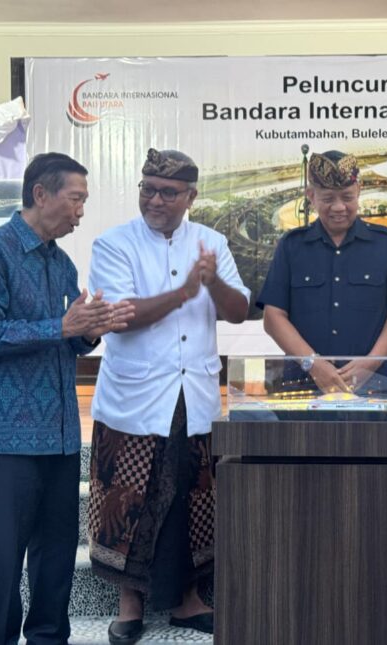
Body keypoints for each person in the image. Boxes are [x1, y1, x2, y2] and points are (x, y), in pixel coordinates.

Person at [0, 152, 134, 645]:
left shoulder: (62, 263)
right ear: (40, 194)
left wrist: (91, 330)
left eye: (84, 201)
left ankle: (49, 638)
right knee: (4, 555)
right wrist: (60, 326)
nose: (81, 211)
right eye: (75, 199)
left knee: (56, 554)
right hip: (6, 433)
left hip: (58, 433)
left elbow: (68, 340)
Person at [87, 148, 250, 644]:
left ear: (191, 197)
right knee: (129, 501)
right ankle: (129, 605)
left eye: (168, 192)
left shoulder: (212, 243)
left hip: (192, 394)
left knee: (190, 497)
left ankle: (189, 601)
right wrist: (183, 292)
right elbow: (120, 316)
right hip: (134, 398)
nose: (155, 200)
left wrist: (212, 281)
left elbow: (238, 311)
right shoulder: (113, 243)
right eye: (148, 189)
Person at [256, 150, 387, 392]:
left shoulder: (385, 243)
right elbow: (273, 318)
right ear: (311, 196)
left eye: (347, 197)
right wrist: (312, 364)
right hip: (304, 386)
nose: (339, 207)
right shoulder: (292, 246)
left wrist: (371, 363)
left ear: (359, 191)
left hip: (373, 385)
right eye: (327, 198)